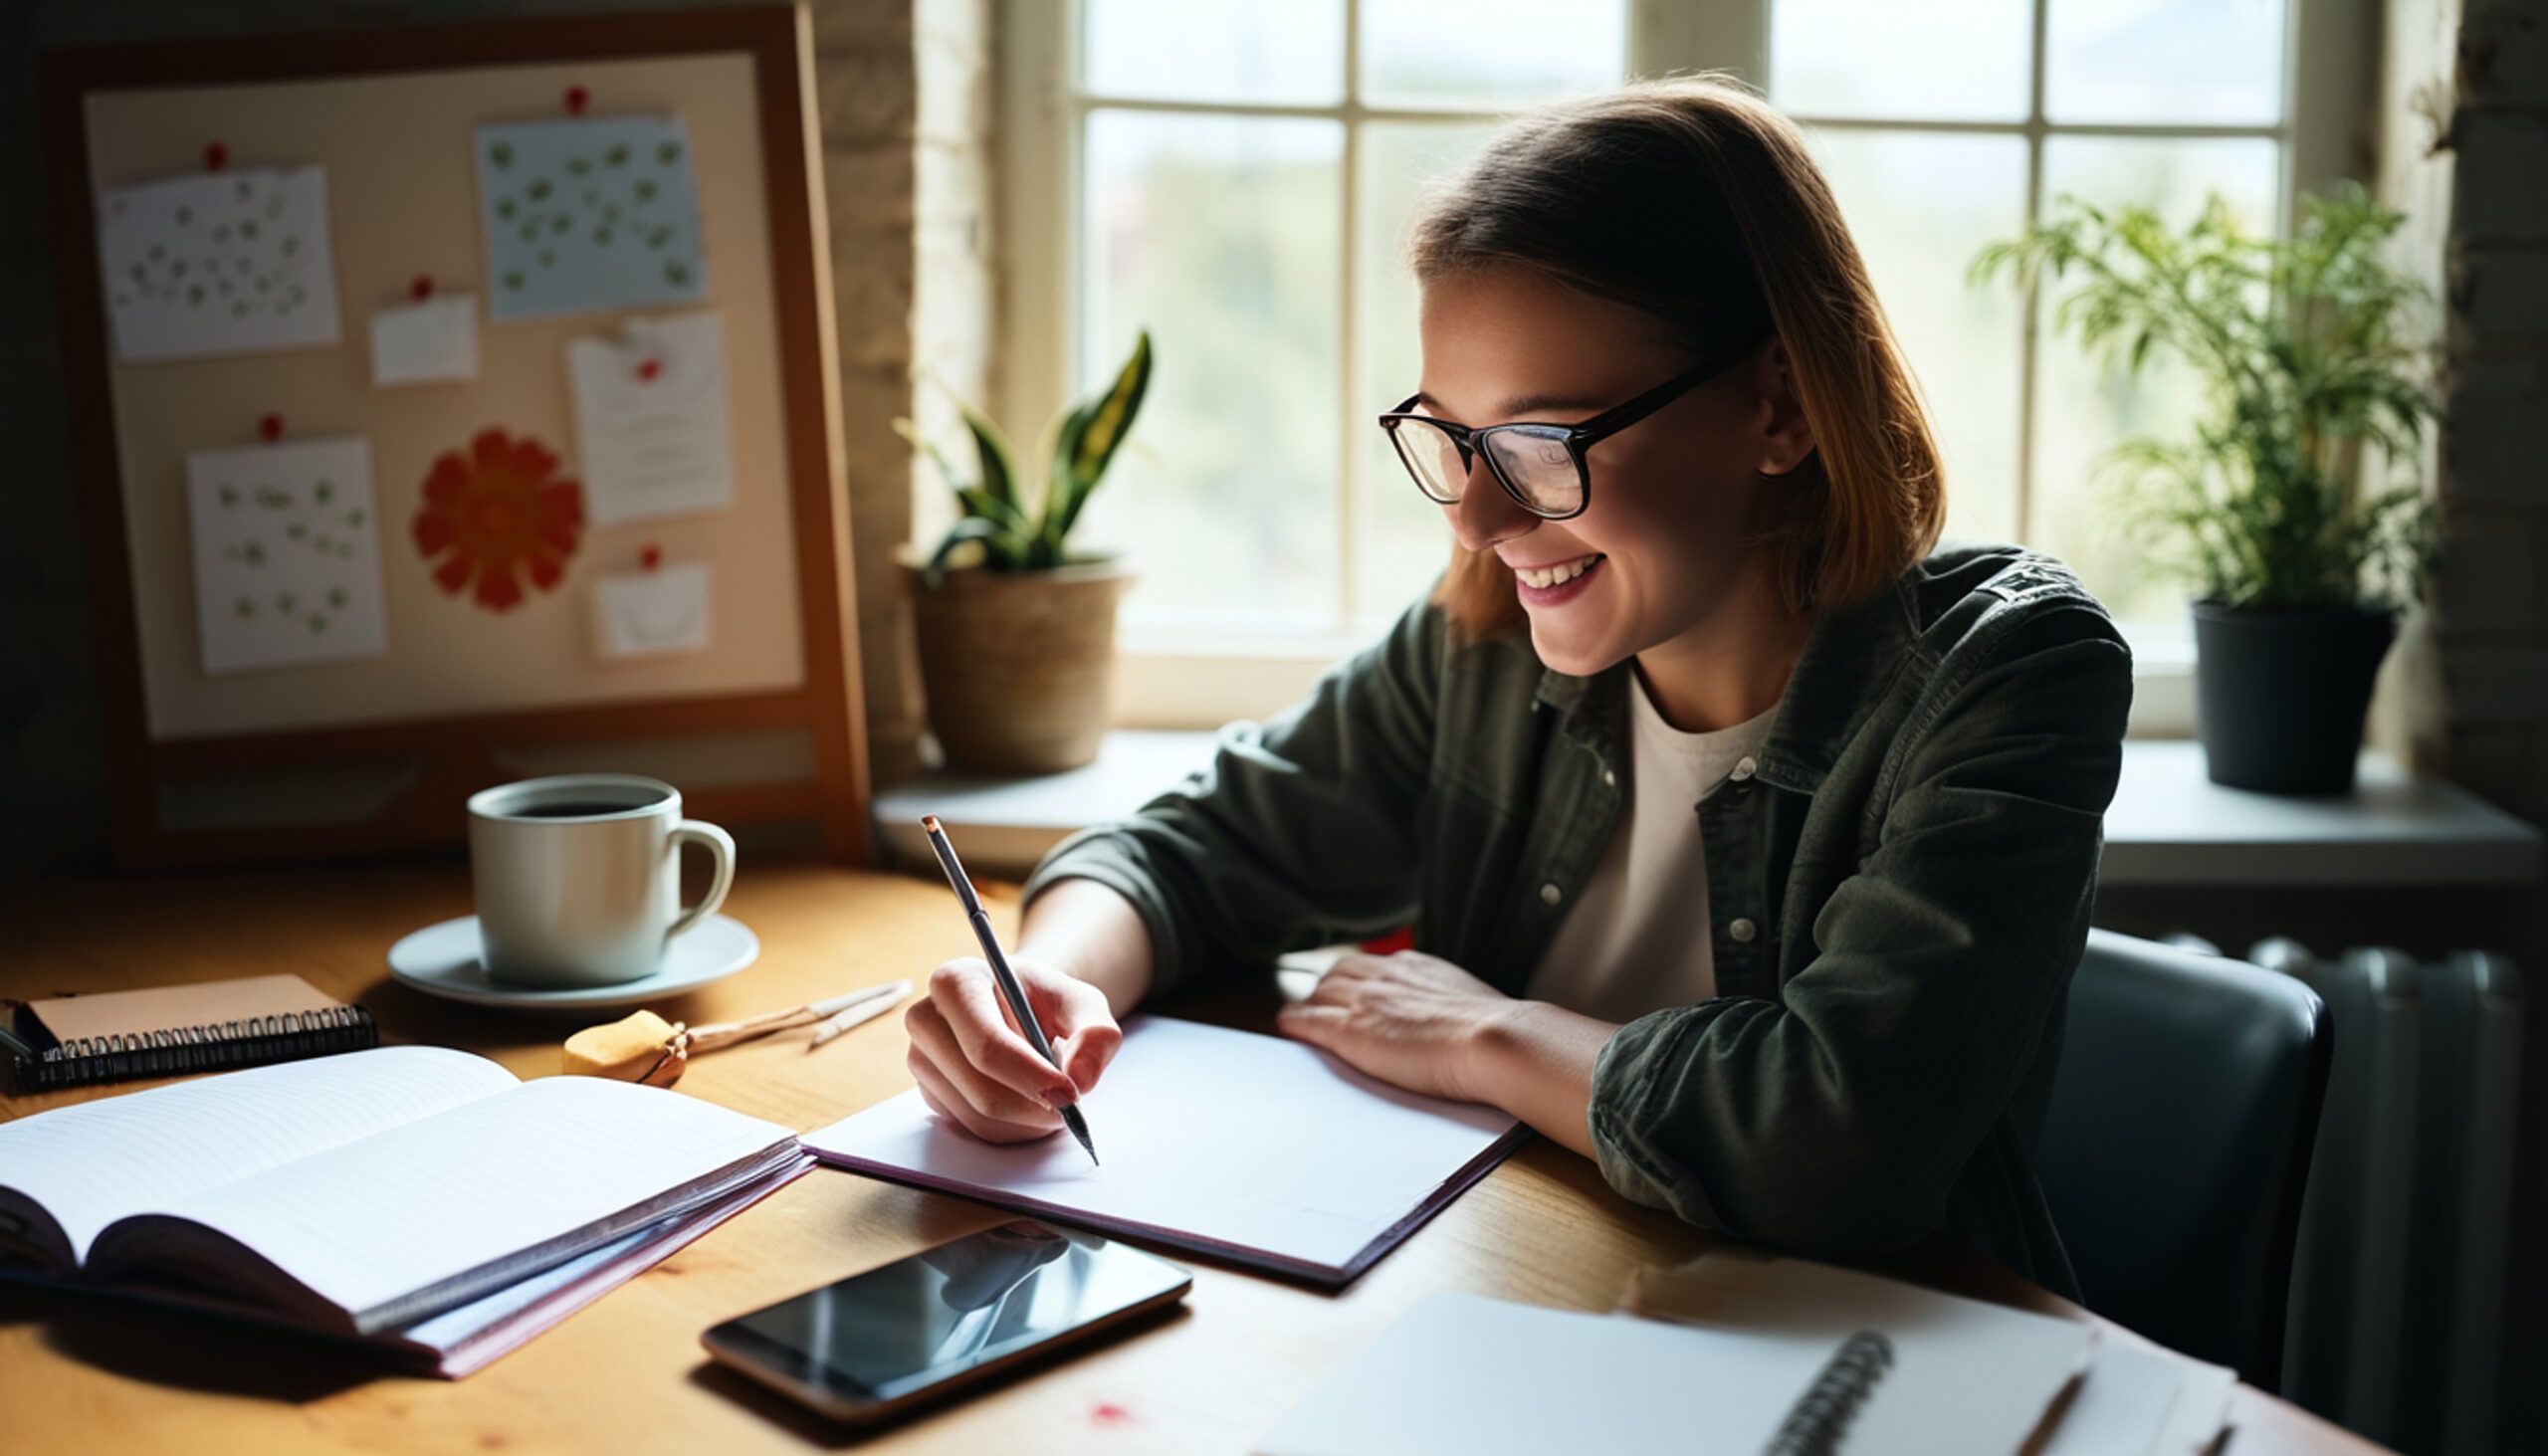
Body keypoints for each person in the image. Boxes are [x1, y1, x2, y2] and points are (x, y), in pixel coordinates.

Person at [900, 73, 2131, 1300]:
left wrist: (1488, 1035)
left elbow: (1833, 1148)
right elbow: (1184, 851)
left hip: (1884, 1354)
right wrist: (1044, 984)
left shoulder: (2006, 673)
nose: (1480, 519)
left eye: (1543, 444)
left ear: (1781, 404)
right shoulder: (1480, 642)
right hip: (1535, 1300)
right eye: (1452, 439)